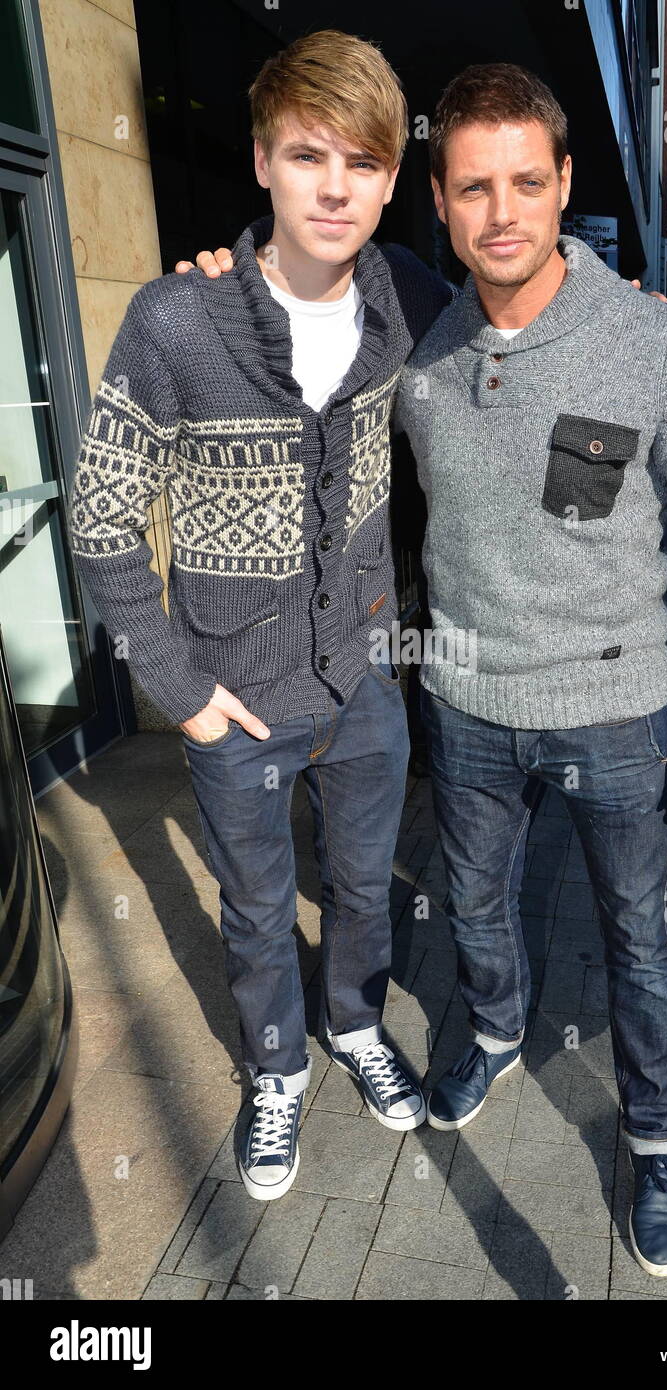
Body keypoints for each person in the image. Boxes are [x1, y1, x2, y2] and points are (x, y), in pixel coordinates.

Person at [179, 58, 667, 1281]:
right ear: (441, 205)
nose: (500, 212)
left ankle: (657, 1139)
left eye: (525, 181)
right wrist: (227, 261)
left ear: (564, 184)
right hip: (460, 704)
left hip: (618, 715)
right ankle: (500, 1025)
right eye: (471, 188)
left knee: (638, 944)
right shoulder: (415, 318)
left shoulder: (654, 344)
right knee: (470, 904)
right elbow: (299, 265)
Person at [68, 30, 456, 1204]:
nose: (333, 185)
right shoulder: (176, 323)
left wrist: (610, 295)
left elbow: (519, 311)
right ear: (261, 164)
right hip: (236, 705)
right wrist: (179, 692)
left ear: (392, 181)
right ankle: (274, 1068)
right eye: (306, 155)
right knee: (248, 906)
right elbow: (97, 521)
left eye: (361, 162)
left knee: (357, 883)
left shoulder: (407, 300)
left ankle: (351, 1022)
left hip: (364, 693)